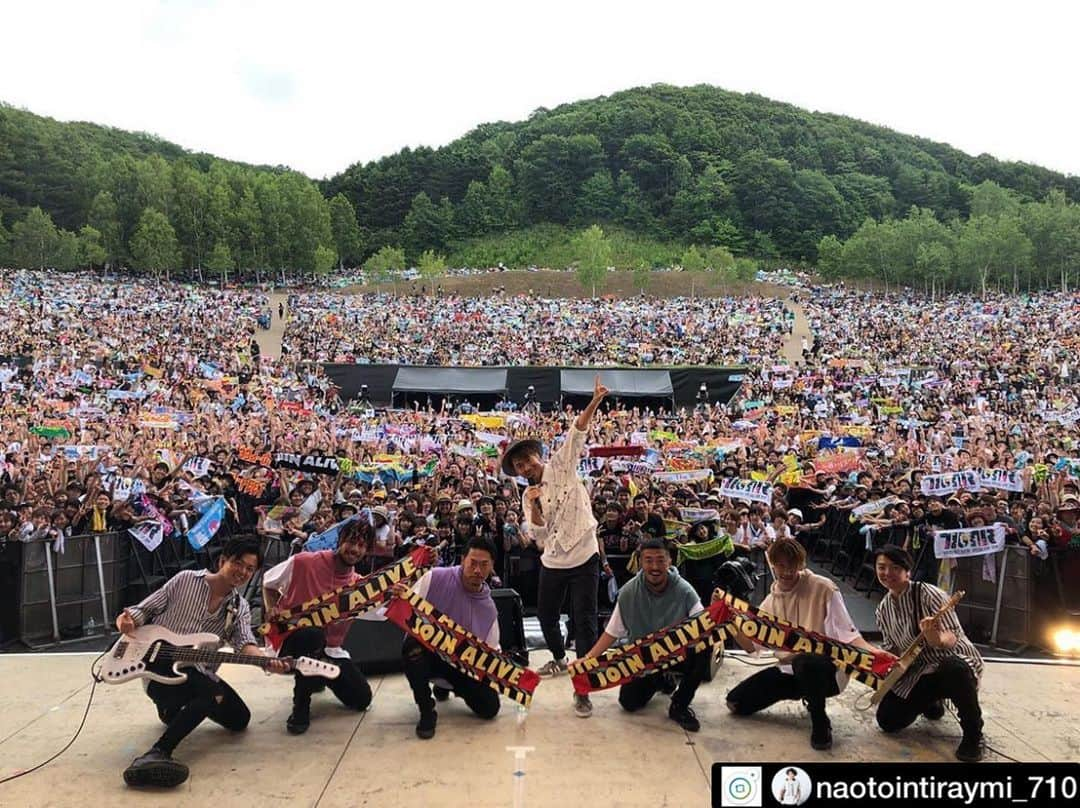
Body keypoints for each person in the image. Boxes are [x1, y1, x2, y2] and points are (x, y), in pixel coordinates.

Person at [114, 535, 289, 788]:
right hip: (157, 668)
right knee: (211, 694)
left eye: (250, 569)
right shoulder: (186, 580)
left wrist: (266, 661)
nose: (242, 572)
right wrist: (127, 620)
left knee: (239, 720)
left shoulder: (238, 608)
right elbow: (144, 610)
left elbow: (245, 643)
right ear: (222, 560)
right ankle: (156, 753)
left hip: (195, 672)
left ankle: (175, 712)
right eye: (238, 563)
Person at [502, 374, 609, 719]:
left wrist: (594, 401)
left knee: (585, 621)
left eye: (527, 460)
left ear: (538, 455)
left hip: (584, 552)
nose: (525, 468)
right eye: (519, 466)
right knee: (546, 614)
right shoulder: (525, 494)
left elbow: (576, 432)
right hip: (553, 559)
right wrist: (533, 506)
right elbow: (539, 537)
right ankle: (560, 660)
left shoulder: (562, 464)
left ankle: (584, 686)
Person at [725, 538, 881, 750]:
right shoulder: (770, 603)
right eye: (780, 564)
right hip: (789, 671)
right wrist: (730, 623)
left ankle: (820, 722)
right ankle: (807, 693)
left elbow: (849, 635)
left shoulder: (824, 588)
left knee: (806, 660)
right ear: (772, 564)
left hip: (826, 671)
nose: (786, 570)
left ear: (801, 564)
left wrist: (876, 654)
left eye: (792, 564)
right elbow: (752, 647)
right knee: (736, 703)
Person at [577, 537, 710, 731]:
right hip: (645, 657)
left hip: (679, 653)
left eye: (660, 560)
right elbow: (611, 633)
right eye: (648, 560)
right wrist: (588, 660)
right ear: (640, 562)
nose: (654, 566)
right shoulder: (629, 592)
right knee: (629, 703)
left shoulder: (685, 590)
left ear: (669, 561)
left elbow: (704, 625)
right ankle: (661, 679)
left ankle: (680, 705)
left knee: (706, 645)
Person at [262, 519, 375, 735]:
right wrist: (272, 610)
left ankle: (318, 673)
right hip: (292, 640)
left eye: (362, 545)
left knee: (361, 699)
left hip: (329, 650)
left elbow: (383, 609)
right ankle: (300, 705)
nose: (355, 550)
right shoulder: (304, 562)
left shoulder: (359, 587)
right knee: (312, 635)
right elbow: (268, 582)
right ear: (340, 540)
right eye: (352, 542)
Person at [873, 545, 985, 762]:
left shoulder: (928, 593)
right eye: (882, 567)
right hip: (919, 669)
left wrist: (935, 637)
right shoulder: (883, 609)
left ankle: (974, 733)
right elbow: (893, 648)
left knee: (954, 669)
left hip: (951, 660)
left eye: (895, 567)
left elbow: (952, 636)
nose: (887, 573)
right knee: (888, 720)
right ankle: (933, 700)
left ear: (908, 571)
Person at [392, 536, 502, 739]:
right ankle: (426, 710)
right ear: (463, 560)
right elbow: (406, 608)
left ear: (492, 567)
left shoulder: (489, 611)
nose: (478, 571)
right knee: (411, 645)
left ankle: (447, 687)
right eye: (473, 563)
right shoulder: (434, 578)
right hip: (428, 654)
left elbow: (491, 653)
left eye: (484, 565)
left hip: (460, 665)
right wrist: (400, 594)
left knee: (490, 709)